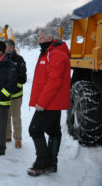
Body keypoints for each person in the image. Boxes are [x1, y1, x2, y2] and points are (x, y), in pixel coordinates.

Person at [27, 28, 71, 176]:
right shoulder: (49, 53)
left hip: (50, 102)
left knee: (35, 129)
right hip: (51, 101)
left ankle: (42, 163)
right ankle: (52, 163)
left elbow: (54, 82)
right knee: (53, 131)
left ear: (50, 38)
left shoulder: (56, 54)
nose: (38, 40)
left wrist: (42, 102)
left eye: (40, 38)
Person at [5, 39, 27, 148]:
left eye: (8, 46)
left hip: (16, 95)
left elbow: (23, 78)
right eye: (5, 47)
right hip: (5, 95)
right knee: (6, 116)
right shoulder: (2, 59)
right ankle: (7, 135)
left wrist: (13, 83)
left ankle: (18, 139)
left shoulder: (19, 59)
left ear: (12, 47)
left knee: (16, 117)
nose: (6, 49)